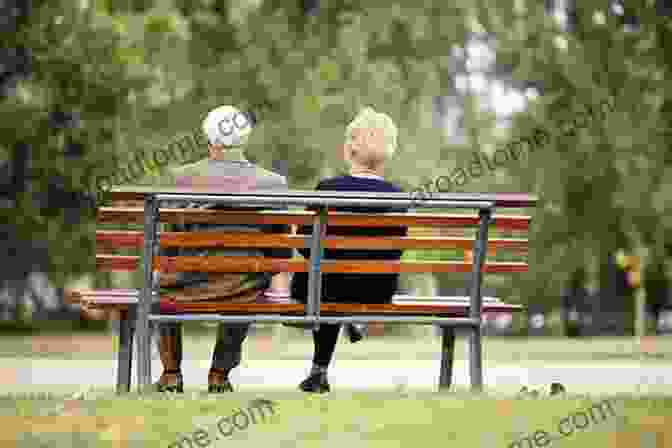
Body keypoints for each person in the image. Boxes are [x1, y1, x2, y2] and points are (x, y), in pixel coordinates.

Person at [154, 105, 292, 393]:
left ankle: (170, 373)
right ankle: (219, 374)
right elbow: (279, 250)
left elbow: (169, 244)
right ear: (244, 139)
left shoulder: (181, 178)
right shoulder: (272, 183)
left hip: (185, 284)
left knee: (161, 289)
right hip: (243, 285)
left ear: (210, 140)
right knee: (244, 282)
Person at [290, 106, 408, 393]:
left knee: (325, 278)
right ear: (388, 152)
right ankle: (354, 317)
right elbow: (396, 250)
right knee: (340, 282)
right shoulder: (397, 196)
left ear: (348, 149)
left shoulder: (328, 188)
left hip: (323, 288)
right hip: (376, 290)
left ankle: (319, 372)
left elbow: (306, 244)